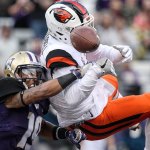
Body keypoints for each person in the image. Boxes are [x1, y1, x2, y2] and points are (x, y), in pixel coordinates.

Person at [40, 0, 150, 143]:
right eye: (82, 27)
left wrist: (117, 53)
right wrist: (96, 70)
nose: (88, 29)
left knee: (109, 75)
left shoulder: (62, 36)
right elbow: (72, 99)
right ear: (65, 30)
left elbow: (94, 51)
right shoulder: (58, 55)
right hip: (90, 121)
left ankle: (127, 110)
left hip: (92, 103)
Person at [0, 50, 95, 150]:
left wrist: (65, 133)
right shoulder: (8, 88)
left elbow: (38, 125)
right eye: (29, 72)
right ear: (12, 74)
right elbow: (39, 92)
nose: (35, 77)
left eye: (38, 72)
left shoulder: (37, 101)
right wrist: (77, 73)